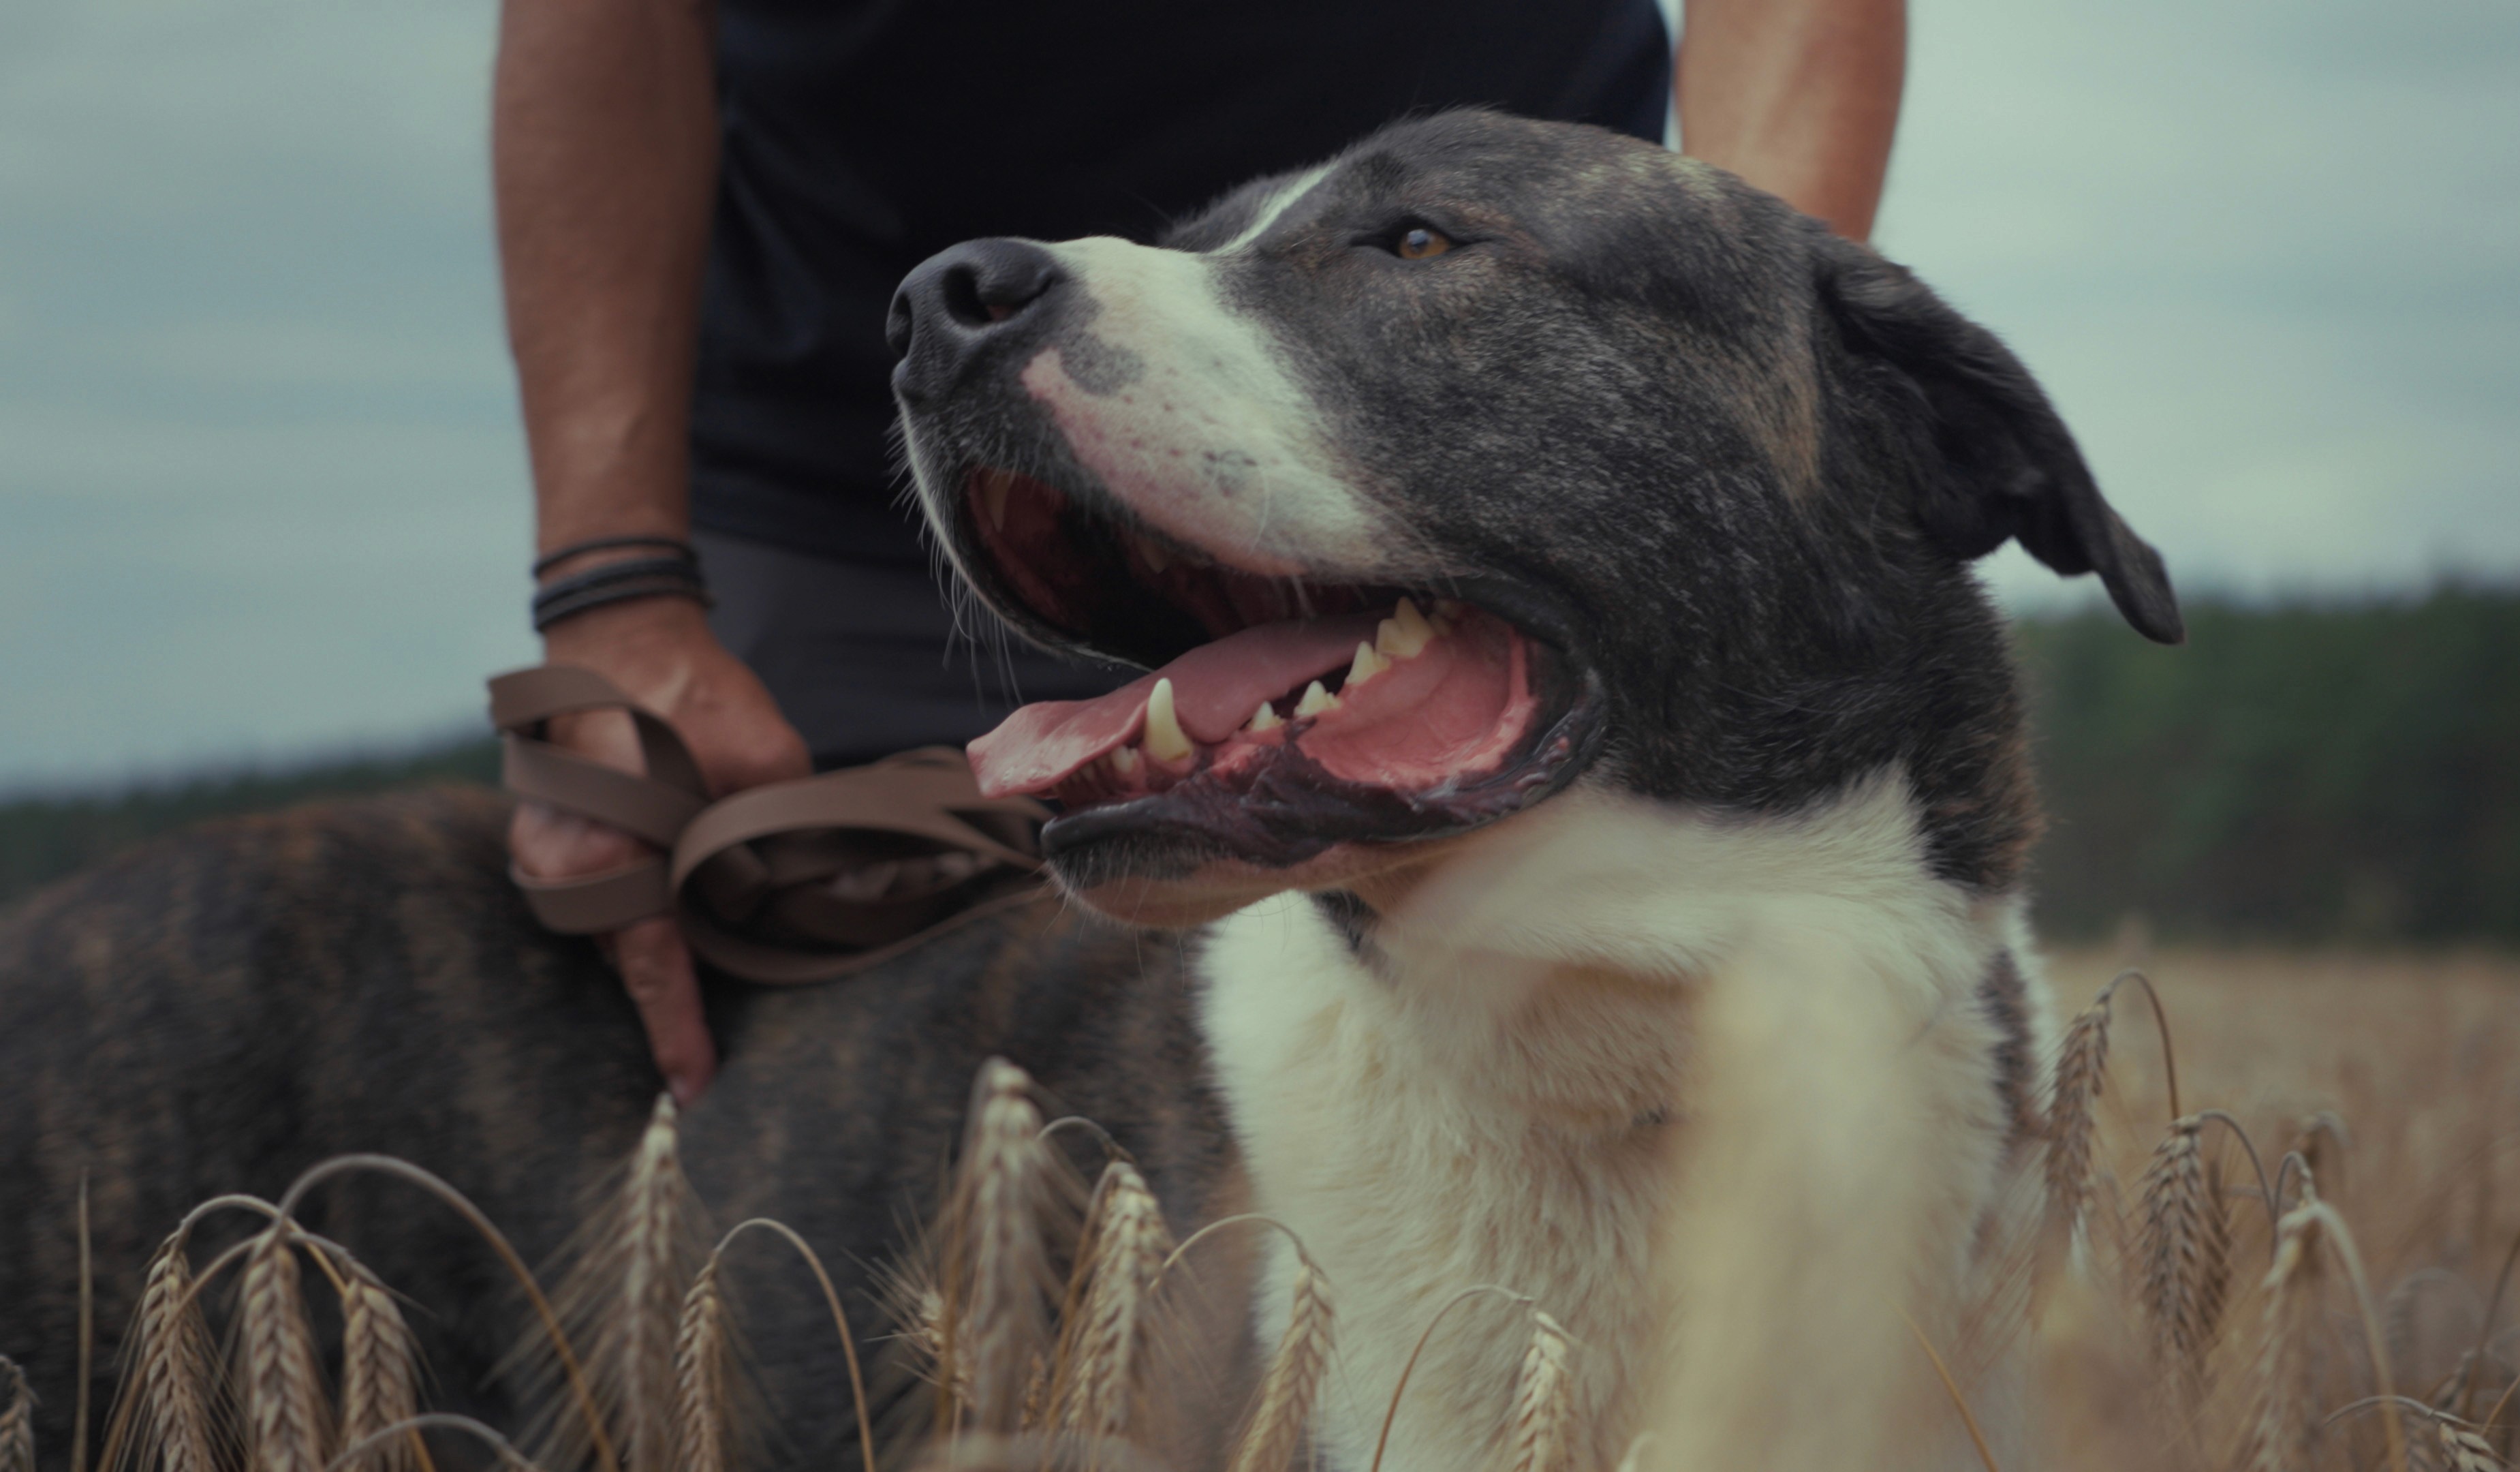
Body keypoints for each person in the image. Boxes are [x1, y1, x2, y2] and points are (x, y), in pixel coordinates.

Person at [494, 0, 1908, 1103]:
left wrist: (1738, 412)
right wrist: (614, 593)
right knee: (798, 1254)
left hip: (1513, 494)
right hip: (829, 530)